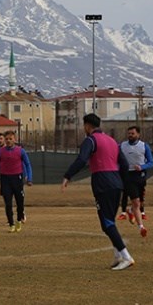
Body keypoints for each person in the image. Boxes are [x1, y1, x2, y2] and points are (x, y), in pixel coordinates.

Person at [62, 114, 134, 271]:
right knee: (110, 221)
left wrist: (68, 176)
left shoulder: (91, 140)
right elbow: (124, 163)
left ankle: (127, 257)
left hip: (103, 183)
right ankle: (117, 256)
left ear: (87, 126)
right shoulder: (112, 141)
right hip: (116, 182)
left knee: (106, 224)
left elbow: (82, 160)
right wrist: (122, 183)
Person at [0, 130, 33, 233]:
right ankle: (11, 223)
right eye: (6, 139)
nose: (8, 141)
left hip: (17, 178)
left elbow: (27, 164)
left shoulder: (20, 151)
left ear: (14, 139)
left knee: (20, 202)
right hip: (5, 179)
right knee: (8, 203)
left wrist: (29, 178)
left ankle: (18, 221)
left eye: (10, 139)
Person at [119, 126, 153, 237]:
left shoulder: (144, 146)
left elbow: (151, 162)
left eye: (132, 133)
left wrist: (142, 167)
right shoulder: (122, 146)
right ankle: (141, 227)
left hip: (140, 176)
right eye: (129, 133)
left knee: (139, 202)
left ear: (138, 134)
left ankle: (130, 211)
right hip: (128, 176)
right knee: (136, 203)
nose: (130, 135)